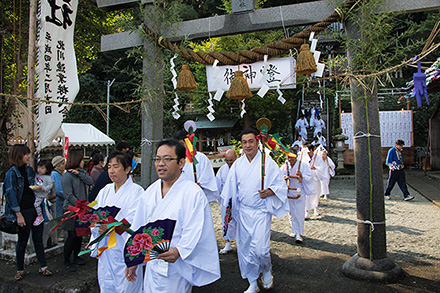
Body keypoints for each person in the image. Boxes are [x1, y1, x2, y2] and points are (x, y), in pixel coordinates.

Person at [125, 140, 220, 292]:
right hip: (152, 263)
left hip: (177, 266)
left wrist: (180, 250)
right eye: (157, 159)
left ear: (181, 163)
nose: (160, 164)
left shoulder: (192, 193)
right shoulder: (150, 192)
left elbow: (195, 228)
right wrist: (133, 259)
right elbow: (139, 228)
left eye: (167, 159)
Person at [220, 128, 288, 293]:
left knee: (260, 249)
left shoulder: (268, 162)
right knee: (245, 250)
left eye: (251, 141)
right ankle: (252, 281)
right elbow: (229, 190)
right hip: (243, 212)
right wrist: (228, 211)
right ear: (241, 145)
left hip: (260, 212)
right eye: (244, 142)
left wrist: (269, 192)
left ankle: (266, 268)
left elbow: (280, 185)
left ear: (258, 142)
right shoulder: (238, 164)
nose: (248, 145)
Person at [89, 151, 144, 292]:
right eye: (109, 167)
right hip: (106, 250)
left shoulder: (137, 192)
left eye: (115, 167)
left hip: (123, 250)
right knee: (106, 285)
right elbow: (95, 215)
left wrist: (112, 226)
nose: (111, 171)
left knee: (127, 287)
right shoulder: (105, 190)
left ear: (127, 169)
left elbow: (135, 222)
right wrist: (98, 227)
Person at [3, 144, 52, 281]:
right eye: (26, 154)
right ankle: (19, 269)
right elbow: (11, 195)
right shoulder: (11, 174)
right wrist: (18, 215)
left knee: (38, 239)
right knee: (22, 241)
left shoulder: (30, 170)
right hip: (22, 211)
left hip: (34, 209)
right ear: (19, 155)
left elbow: (37, 184)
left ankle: (43, 266)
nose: (29, 156)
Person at [62, 150, 94, 272]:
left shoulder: (81, 173)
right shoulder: (67, 176)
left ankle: (76, 257)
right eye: (81, 160)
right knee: (72, 236)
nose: (83, 162)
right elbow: (68, 195)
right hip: (71, 210)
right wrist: (79, 205)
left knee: (80, 235)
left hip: (82, 209)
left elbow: (90, 181)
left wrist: (80, 173)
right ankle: (66, 260)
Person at [173, 130, 219, 202]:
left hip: (197, 197)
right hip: (179, 197)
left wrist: (200, 185)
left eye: (182, 144)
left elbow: (208, 179)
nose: (180, 147)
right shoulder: (173, 159)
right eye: (177, 145)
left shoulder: (200, 158)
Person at [280, 151, 312, 243]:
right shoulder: (285, 166)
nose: (290, 159)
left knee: (299, 212)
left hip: (298, 190)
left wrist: (301, 176)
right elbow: (278, 176)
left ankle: (299, 233)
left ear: (296, 156)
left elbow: (310, 178)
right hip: (289, 190)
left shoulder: (303, 165)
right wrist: (284, 177)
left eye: (292, 157)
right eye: (288, 157)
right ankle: (294, 230)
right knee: (291, 213)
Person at [215, 149, 237, 255]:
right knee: (226, 222)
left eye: (231, 160)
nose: (229, 162)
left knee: (240, 222)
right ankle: (227, 244)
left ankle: (242, 244)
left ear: (236, 158)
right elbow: (218, 185)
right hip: (226, 200)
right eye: (227, 160)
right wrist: (220, 199)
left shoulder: (240, 168)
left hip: (238, 200)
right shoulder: (222, 170)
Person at [33, 160, 55, 226]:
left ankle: (40, 216)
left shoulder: (48, 178)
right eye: (39, 167)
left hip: (41, 195)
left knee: (36, 205)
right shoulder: (36, 176)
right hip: (36, 193)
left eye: (42, 168)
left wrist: (44, 189)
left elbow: (50, 185)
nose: (39, 170)